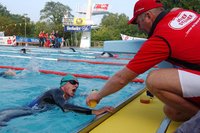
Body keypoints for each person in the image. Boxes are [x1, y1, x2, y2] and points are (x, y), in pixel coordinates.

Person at [86, 0, 200, 124]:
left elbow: (122, 78)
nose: (139, 28)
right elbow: (174, 10)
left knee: (154, 80)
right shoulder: (183, 13)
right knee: (172, 112)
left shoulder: (160, 38)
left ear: (148, 16)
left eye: (137, 22)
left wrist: (98, 95)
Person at [0, 74, 113, 126]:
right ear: (63, 85)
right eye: (73, 82)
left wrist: (95, 93)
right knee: (4, 118)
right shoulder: (57, 91)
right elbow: (65, 107)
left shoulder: (68, 95)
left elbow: (83, 95)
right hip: (30, 109)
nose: (76, 85)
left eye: (77, 84)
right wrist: (95, 111)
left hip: (38, 109)